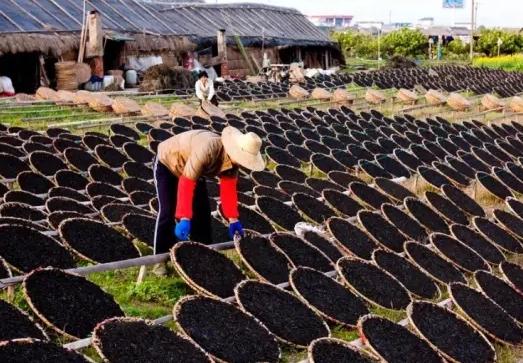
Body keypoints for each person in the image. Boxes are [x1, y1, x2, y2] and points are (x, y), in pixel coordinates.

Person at [152, 127, 265, 274]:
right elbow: (186, 182)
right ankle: (159, 260)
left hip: (192, 169)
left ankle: (203, 255)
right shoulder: (209, 149)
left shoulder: (233, 164)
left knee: (203, 212)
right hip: (168, 163)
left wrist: (233, 219)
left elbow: (228, 190)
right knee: (167, 211)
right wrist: (184, 217)